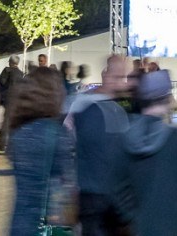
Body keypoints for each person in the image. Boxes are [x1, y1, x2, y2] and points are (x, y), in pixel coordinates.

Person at [124, 70, 177, 236]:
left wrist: (135, 217)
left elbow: (120, 191)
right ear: (167, 98)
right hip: (174, 228)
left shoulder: (126, 138)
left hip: (141, 228)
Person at [66, 54, 134, 236]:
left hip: (103, 198)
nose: (126, 83)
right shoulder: (87, 106)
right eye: (121, 77)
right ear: (107, 75)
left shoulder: (115, 109)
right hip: (95, 197)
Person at [7, 68, 76, 236]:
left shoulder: (19, 131)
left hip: (20, 221)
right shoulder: (58, 133)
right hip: (49, 225)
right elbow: (68, 182)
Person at [0, 54, 24, 153]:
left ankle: (2, 144)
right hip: (17, 101)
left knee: (4, 122)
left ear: (10, 62)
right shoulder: (21, 73)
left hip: (6, 100)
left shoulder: (7, 71)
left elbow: (1, 83)